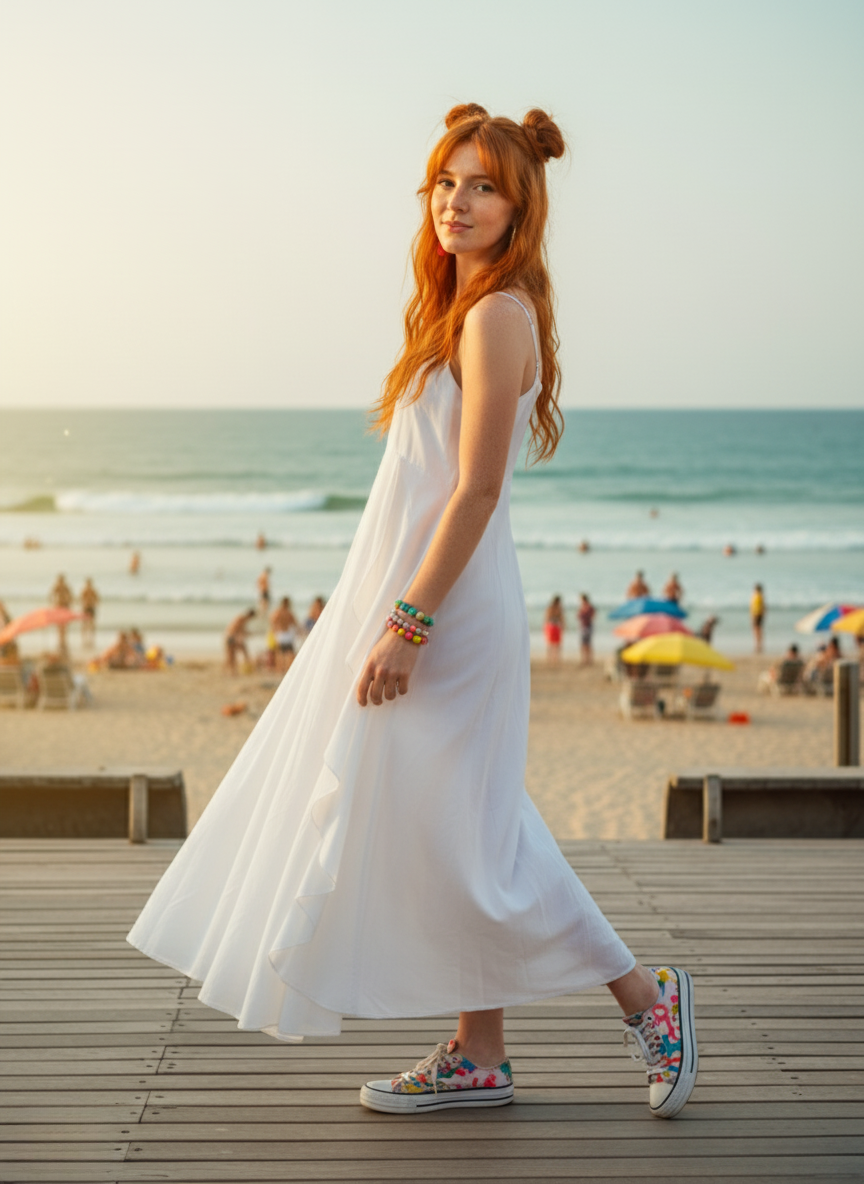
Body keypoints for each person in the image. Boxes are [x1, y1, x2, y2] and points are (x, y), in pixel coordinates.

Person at [127, 104, 697, 1123]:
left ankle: (649, 1004)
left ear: (520, 208)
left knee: (474, 836)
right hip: (425, 602)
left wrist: (408, 624)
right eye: (445, 183)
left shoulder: (495, 316)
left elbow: (473, 490)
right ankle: (483, 1051)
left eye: (481, 186)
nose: (456, 202)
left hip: (448, 615)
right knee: (458, 832)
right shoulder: (463, 312)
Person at [270, 596, 300, 673]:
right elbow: (295, 623)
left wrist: (275, 630)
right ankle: (288, 669)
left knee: (280, 653)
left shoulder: (277, 612)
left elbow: (272, 621)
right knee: (290, 653)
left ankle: (279, 669)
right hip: (288, 635)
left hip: (280, 635)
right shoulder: (289, 613)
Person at [224, 609, 256, 674]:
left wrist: (247, 634)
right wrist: (240, 636)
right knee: (231, 655)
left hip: (231, 636)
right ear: (250, 616)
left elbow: (240, 630)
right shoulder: (241, 619)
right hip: (231, 637)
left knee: (233, 654)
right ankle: (231, 671)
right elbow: (235, 629)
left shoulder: (242, 620)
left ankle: (233, 670)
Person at [50, 574, 74, 654]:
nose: (61, 581)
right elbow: (51, 595)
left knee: (64, 626)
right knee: (59, 626)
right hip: (59, 606)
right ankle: (60, 642)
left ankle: (63, 642)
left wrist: (69, 603)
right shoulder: (57, 587)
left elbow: (71, 596)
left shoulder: (65, 587)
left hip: (64, 606)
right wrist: (54, 604)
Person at [543, 595, 564, 664]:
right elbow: (561, 619)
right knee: (556, 644)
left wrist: (545, 627)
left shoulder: (550, 608)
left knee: (550, 644)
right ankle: (556, 658)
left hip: (550, 626)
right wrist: (563, 626)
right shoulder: (558, 609)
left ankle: (549, 658)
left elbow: (547, 618)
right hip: (556, 626)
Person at [577, 593, 596, 666]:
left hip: (588, 626)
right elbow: (578, 616)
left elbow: (593, 616)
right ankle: (584, 659)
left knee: (588, 644)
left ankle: (589, 659)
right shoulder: (582, 607)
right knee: (583, 644)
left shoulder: (589, 607)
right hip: (583, 626)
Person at [80, 578, 99, 647]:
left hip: (91, 608)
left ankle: (91, 638)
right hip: (86, 608)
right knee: (84, 624)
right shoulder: (84, 590)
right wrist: (85, 604)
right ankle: (84, 638)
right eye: (88, 584)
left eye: (89, 584)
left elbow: (97, 598)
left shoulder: (93, 590)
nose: (89, 585)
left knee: (92, 624)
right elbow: (81, 599)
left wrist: (93, 603)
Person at [750, 583, 765, 653]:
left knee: (757, 631)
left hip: (757, 615)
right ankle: (757, 645)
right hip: (755, 615)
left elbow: (763, 607)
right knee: (756, 631)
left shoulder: (758, 596)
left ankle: (758, 645)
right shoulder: (756, 596)